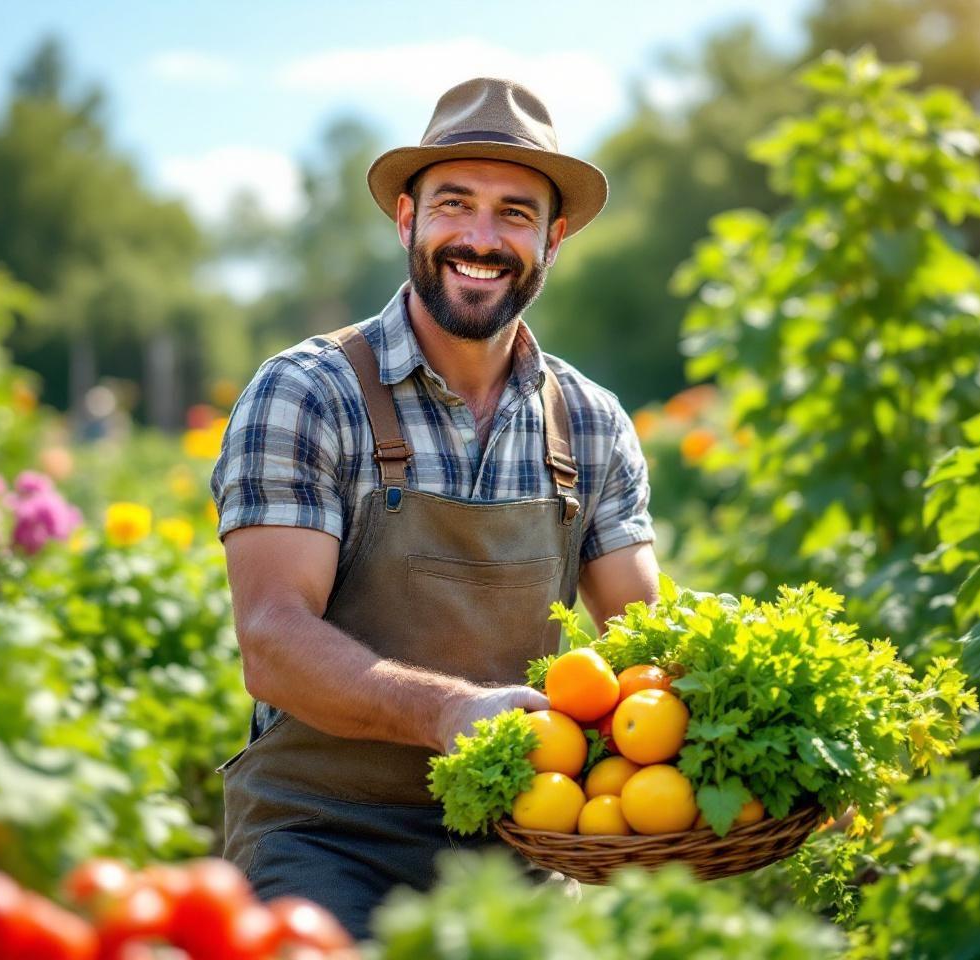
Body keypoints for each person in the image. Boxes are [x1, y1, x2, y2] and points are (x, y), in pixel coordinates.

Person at [210, 76, 660, 939]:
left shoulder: (590, 423)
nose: (481, 239)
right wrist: (453, 713)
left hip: (523, 847)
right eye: (455, 204)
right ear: (406, 218)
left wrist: (754, 754)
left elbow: (645, 637)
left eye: (516, 214)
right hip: (323, 840)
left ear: (553, 238)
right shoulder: (309, 394)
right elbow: (272, 642)